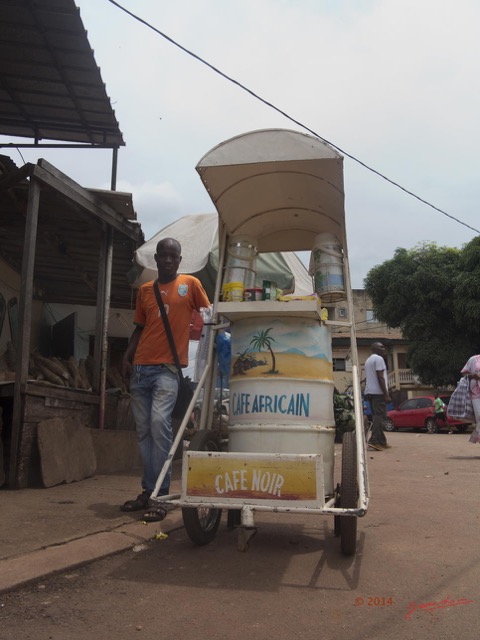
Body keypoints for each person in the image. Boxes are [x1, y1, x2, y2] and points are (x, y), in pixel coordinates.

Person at [120, 238, 210, 521]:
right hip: (140, 369)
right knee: (144, 432)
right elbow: (139, 329)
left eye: (173, 257)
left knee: (160, 425)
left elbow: (208, 315)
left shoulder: (190, 285)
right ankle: (149, 491)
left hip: (168, 370)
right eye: (164, 256)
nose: (168, 261)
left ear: (179, 260)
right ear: (156, 259)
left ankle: (162, 494)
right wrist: (126, 357)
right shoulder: (145, 291)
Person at [364, 342, 392, 451]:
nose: (384, 348)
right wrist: (386, 394)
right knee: (379, 416)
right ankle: (374, 441)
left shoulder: (368, 360)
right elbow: (380, 377)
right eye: (381, 347)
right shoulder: (379, 359)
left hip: (369, 392)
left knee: (377, 415)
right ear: (374, 348)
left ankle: (382, 441)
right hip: (378, 392)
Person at [461, 355, 480, 444]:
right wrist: (473, 375)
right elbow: (464, 373)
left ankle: (476, 437)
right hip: (475, 392)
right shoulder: (474, 359)